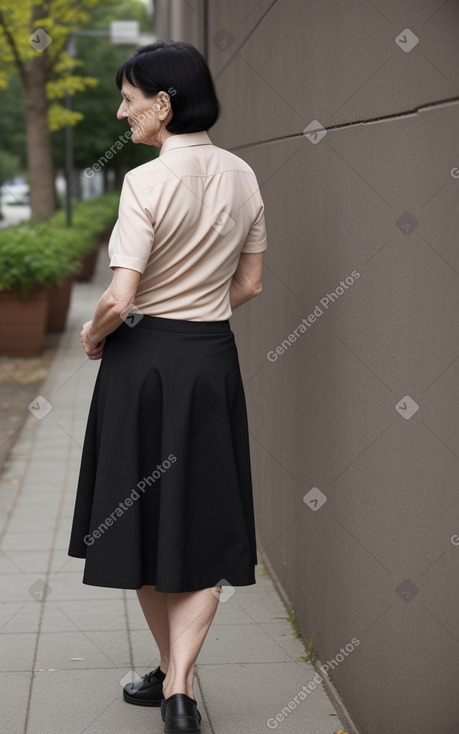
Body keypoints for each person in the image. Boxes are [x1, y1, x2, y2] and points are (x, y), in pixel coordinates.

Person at [67, 40, 267, 734]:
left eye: (128, 100)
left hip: (143, 364)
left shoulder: (144, 182)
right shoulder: (243, 175)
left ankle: (170, 679)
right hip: (210, 361)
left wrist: (94, 336)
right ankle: (177, 687)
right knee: (203, 523)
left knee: (143, 522)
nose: (122, 113)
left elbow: (119, 300)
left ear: (163, 104)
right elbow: (249, 284)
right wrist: (198, 315)